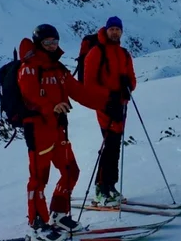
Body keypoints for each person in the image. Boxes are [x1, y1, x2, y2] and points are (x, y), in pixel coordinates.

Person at [17, 23, 122, 241]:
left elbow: (80, 92)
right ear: (39, 43)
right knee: (38, 179)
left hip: (58, 131)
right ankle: (37, 224)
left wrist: (106, 102)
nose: (52, 46)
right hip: (38, 130)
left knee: (71, 171)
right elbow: (29, 96)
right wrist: (50, 106)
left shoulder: (58, 69)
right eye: (47, 42)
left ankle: (59, 215)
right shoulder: (29, 67)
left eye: (55, 42)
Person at [82, 16, 137, 206]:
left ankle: (110, 187)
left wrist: (128, 85)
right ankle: (100, 189)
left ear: (122, 32)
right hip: (105, 105)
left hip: (120, 105)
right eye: (112, 29)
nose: (115, 32)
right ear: (106, 30)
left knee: (115, 146)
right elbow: (88, 83)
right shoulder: (97, 52)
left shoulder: (124, 54)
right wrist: (110, 95)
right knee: (110, 144)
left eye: (118, 29)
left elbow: (132, 79)